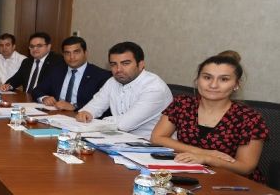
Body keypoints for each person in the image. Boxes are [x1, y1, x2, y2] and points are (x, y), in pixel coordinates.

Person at [151, 53, 268, 182]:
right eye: (207, 77)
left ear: (236, 84)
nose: (213, 85)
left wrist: (207, 159)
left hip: (234, 182)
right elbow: (157, 138)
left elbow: (246, 167)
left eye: (224, 79)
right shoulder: (183, 104)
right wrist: (204, 152)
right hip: (189, 174)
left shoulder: (250, 118)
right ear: (197, 80)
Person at [76, 41, 172, 139]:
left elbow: (125, 125)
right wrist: (86, 113)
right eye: (113, 64)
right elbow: (91, 108)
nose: (118, 69)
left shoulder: (154, 88)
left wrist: (102, 120)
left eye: (125, 63)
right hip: (119, 139)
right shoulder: (112, 81)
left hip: (150, 144)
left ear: (141, 64)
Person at [32, 36, 111, 111]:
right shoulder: (56, 71)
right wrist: (44, 98)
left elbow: (104, 105)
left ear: (85, 53)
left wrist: (74, 106)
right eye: (67, 53)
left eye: (76, 52)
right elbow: (37, 90)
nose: (72, 57)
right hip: (56, 114)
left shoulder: (101, 75)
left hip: (82, 116)